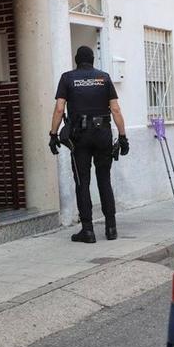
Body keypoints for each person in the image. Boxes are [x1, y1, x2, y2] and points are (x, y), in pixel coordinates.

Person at [48, 46, 129, 243]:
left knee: (82, 182)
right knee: (104, 180)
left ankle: (88, 231)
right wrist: (123, 136)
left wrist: (52, 134)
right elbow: (116, 110)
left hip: (80, 137)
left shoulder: (67, 78)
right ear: (93, 60)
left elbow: (59, 109)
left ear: (76, 60)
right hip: (103, 135)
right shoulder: (104, 77)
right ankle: (111, 229)